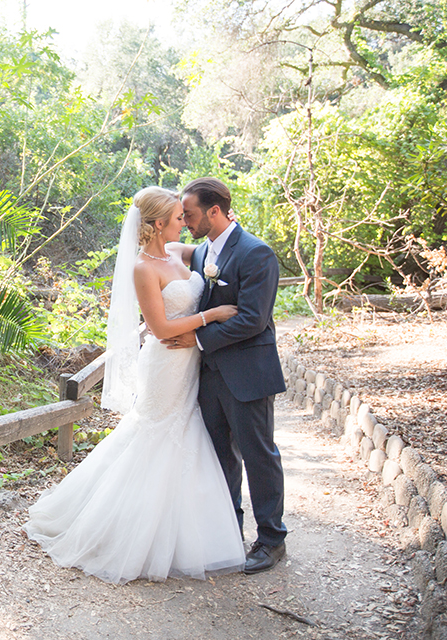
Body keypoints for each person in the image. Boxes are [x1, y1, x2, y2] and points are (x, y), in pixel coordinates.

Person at [23, 186, 246, 583]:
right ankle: (120, 529)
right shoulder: (143, 268)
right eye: (180, 218)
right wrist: (209, 316)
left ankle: (183, 533)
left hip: (190, 361)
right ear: (159, 223)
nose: (186, 223)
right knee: (155, 435)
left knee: (185, 437)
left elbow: (223, 250)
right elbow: (159, 328)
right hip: (166, 363)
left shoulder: (179, 253)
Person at [167, 177, 288, 575]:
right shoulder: (202, 253)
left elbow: (253, 320)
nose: (185, 221)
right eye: (182, 215)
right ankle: (228, 532)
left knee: (259, 456)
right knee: (220, 458)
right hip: (210, 376)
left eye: (190, 214)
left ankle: (271, 540)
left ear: (214, 211)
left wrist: (196, 339)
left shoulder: (257, 253)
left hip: (248, 373)